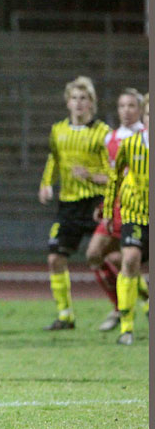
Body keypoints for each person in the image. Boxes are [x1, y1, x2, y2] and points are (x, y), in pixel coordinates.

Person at [38, 76, 111, 330]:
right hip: (68, 205)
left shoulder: (103, 133)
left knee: (113, 258)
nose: (79, 103)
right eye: (74, 98)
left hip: (97, 203)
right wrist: (46, 183)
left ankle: (138, 305)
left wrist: (91, 175)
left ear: (92, 103)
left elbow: (114, 172)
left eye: (84, 98)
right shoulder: (58, 131)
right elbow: (54, 160)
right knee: (55, 259)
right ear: (67, 102)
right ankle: (65, 315)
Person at [85, 88, 146, 331]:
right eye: (122, 106)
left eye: (131, 106)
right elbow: (113, 177)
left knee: (123, 260)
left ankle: (134, 304)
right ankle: (120, 306)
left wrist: (91, 176)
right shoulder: (110, 139)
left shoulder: (144, 137)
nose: (126, 111)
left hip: (138, 208)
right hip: (116, 207)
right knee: (95, 254)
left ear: (141, 109)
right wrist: (105, 205)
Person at [103, 93, 149, 345]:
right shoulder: (130, 145)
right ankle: (127, 328)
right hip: (136, 214)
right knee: (129, 259)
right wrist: (109, 211)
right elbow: (115, 178)